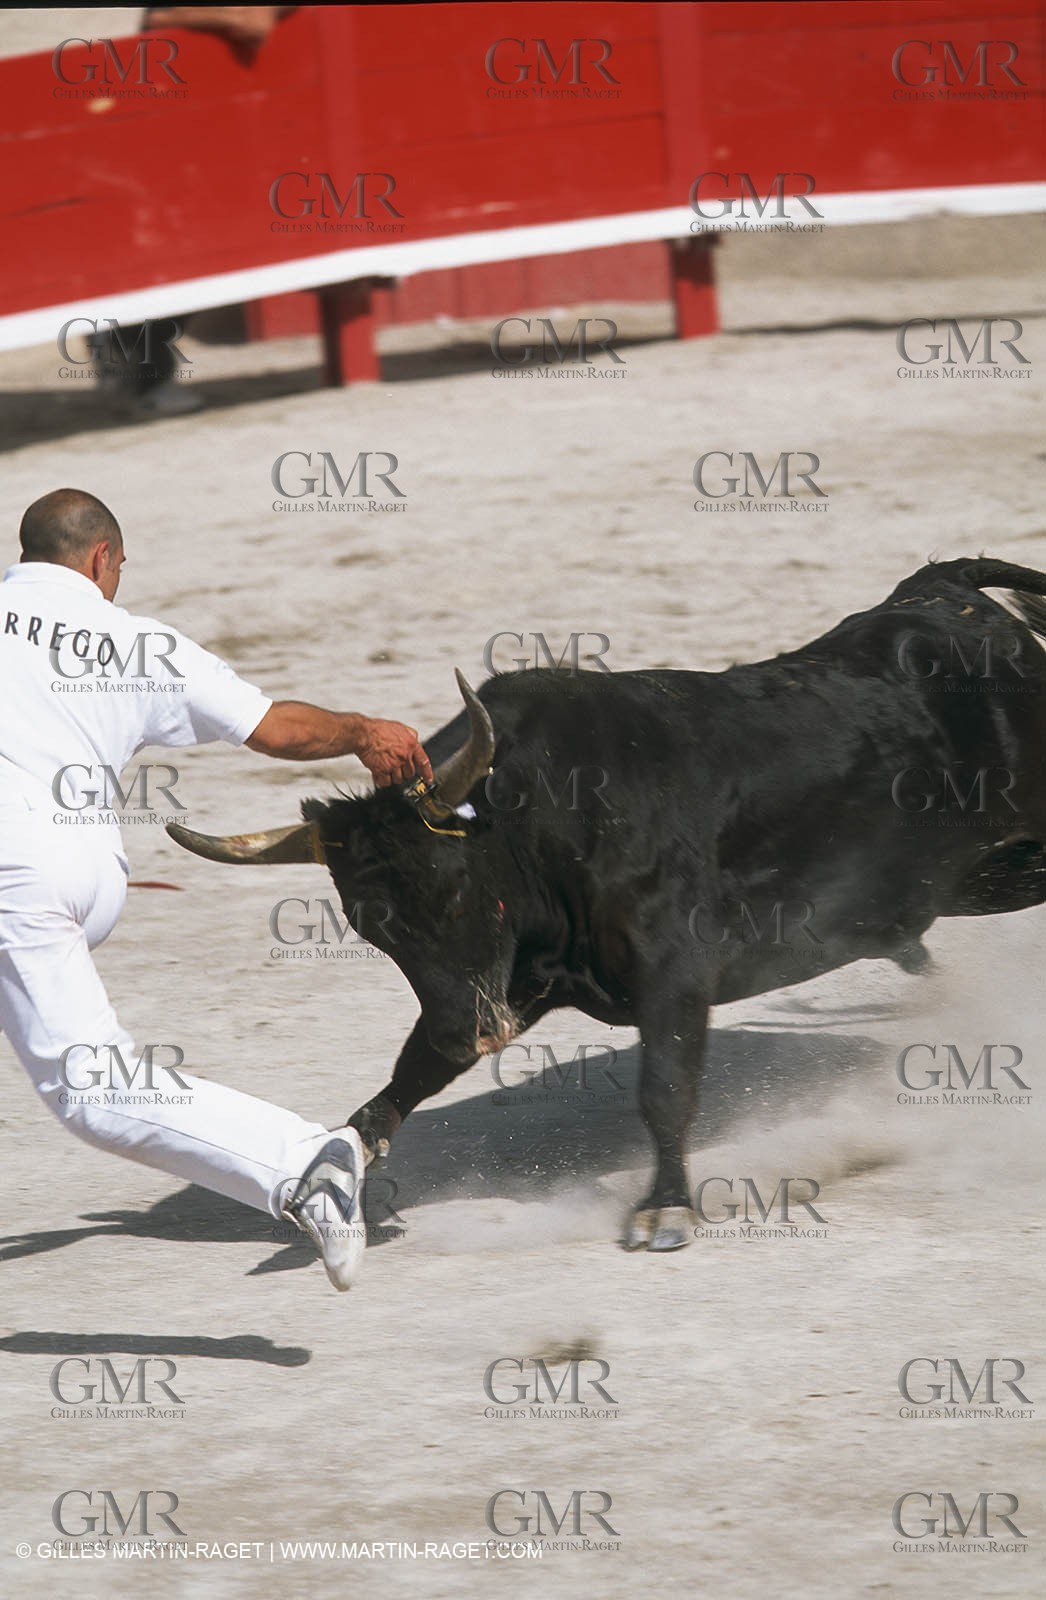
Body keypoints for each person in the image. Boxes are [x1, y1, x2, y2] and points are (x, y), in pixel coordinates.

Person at [0, 487, 432, 1291]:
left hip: (18, 874)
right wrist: (364, 732)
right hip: (75, 869)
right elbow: (276, 729)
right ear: (102, 560)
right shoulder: (136, 643)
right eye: (120, 568)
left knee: (93, 1091)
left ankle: (307, 1160)